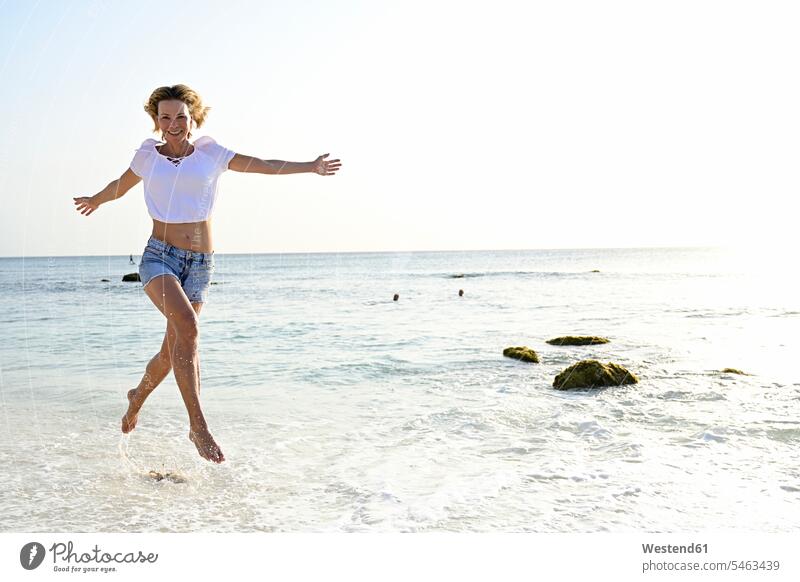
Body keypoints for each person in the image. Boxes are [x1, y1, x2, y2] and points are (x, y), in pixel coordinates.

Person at [73, 84, 341, 463]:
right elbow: (121, 185)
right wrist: (96, 201)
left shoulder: (211, 154)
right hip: (159, 257)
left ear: (191, 118)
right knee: (190, 329)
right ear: (156, 121)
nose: (173, 124)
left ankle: (137, 398)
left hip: (200, 264)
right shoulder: (148, 157)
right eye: (165, 117)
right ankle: (197, 427)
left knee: (173, 349)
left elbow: (260, 164)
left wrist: (309, 167)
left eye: (180, 116)